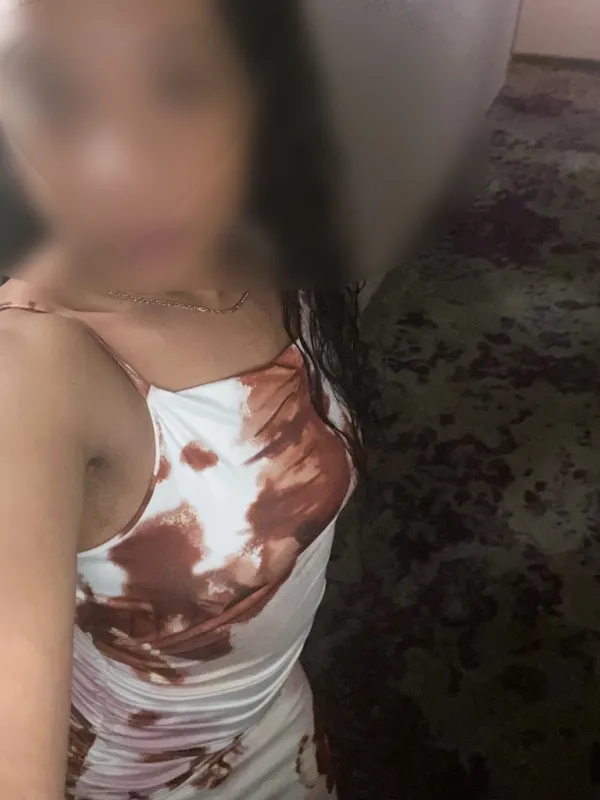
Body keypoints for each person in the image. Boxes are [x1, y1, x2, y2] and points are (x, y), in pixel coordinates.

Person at [0, 1, 371, 798]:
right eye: (56, 95)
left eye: (179, 82)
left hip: (276, 717)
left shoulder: (263, 245)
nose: (117, 166)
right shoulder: (30, 375)